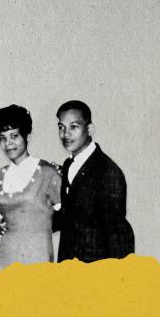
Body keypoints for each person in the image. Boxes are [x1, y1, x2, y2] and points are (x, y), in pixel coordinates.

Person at [54, 100, 135, 262]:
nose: (66, 134)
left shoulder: (108, 172)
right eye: (61, 127)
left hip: (96, 273)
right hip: (68, 269)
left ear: (90, 129)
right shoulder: (68, 164)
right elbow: (69, 216)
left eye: (74, 127)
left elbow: (117, 233)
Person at [0, 105, 62, 273]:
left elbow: (68, 218)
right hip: (4, 261)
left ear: (27, 135)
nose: (8, 143)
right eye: (3, 138)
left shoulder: (49, 173)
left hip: (38, 260)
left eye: (14, 136)